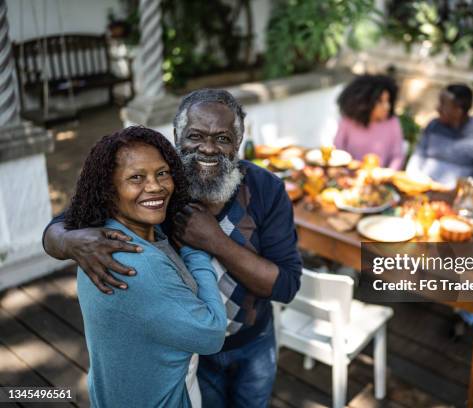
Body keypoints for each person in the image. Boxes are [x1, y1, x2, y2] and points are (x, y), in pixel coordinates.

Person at [42, 89, 303, 408]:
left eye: (222, 138)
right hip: (186, 355)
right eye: (196, 136)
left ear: (238, 142)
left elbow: (286, 285)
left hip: (253, 343)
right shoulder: (157, 185)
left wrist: (215, 242)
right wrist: (70, 242)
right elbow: (60, 226)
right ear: (178, 137)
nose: (208, 148)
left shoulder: (265, 189)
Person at [65, 126, 226, 407]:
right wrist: (197, 248)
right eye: (136, 178)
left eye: (162, 173)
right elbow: (211, 333)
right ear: (108, 189)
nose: (156, 186)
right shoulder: (138, 262)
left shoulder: (98, 239)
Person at [406, 83, 473, 188]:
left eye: (443, 104)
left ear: (458, 111)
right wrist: (413, 179)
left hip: (457, 195)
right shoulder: (433, 126)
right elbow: (417, 158)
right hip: (422, 188)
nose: (437, 108)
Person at [334, 74, 405, 170]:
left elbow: (398, 156)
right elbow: (337, 149)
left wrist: (388, 173)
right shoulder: (348, 121)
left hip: (379, 180)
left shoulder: (393, 122)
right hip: (348, 177)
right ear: (365, 103)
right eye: (380, 101)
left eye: (388, 101)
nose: (386, 106)